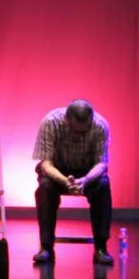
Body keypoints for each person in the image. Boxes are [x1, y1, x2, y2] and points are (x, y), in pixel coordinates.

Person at [32, 99, 114, 265]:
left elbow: (101, 164)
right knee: (45, 188)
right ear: (67, 120)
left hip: (88, 171)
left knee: (103, 186)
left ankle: (101, 247)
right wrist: (65, 181)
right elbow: (46, 164)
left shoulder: (100, 126)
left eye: (85, 130)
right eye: (76, 130)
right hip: (58, 170)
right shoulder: (51, 122)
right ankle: (46, 247)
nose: (80, 135)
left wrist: (85, 180)